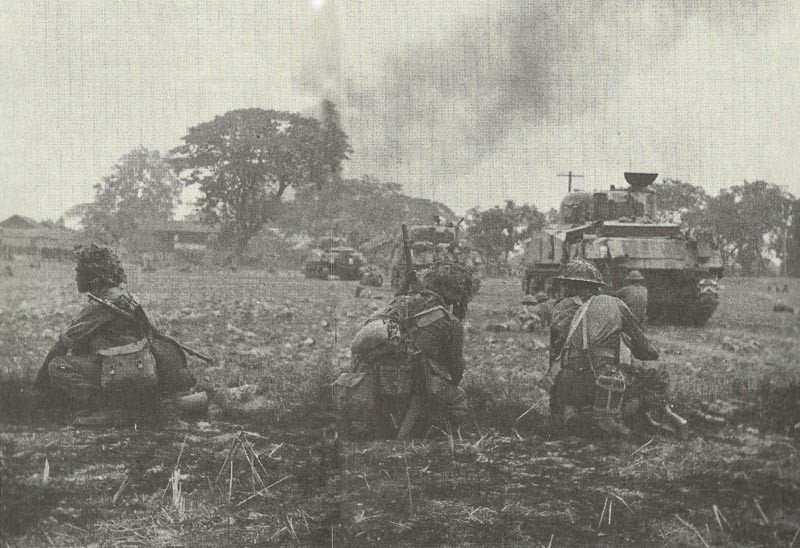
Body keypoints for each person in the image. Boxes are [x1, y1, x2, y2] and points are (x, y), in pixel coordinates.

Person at [34, 244, 196, 426]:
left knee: (58, 366)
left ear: (94, 278)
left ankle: (109, 410)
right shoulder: (123, 295)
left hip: (126, 372)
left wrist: (38, 385)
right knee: (83, 348)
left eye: (80, 272)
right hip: (141, 371)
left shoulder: (101, 305)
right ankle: (121, 406)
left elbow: (63, 344)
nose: (76, 276)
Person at [340, 259, 475, 440]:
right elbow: (456, 369)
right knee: (458, 400)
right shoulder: (451, 322)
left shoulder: (399, 302)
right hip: (415, 386)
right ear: (457, 294)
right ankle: (441, 441)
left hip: (377, 380)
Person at [541, 259, 664, 437]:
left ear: (566, 285)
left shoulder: (559, 308)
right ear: (596, 286)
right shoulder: (614, 304)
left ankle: (571, 411)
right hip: (602, 380)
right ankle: (634, 421)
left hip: (567, 383)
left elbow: (554, 355)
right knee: (657, 375)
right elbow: (645, 350)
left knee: (571, 386)